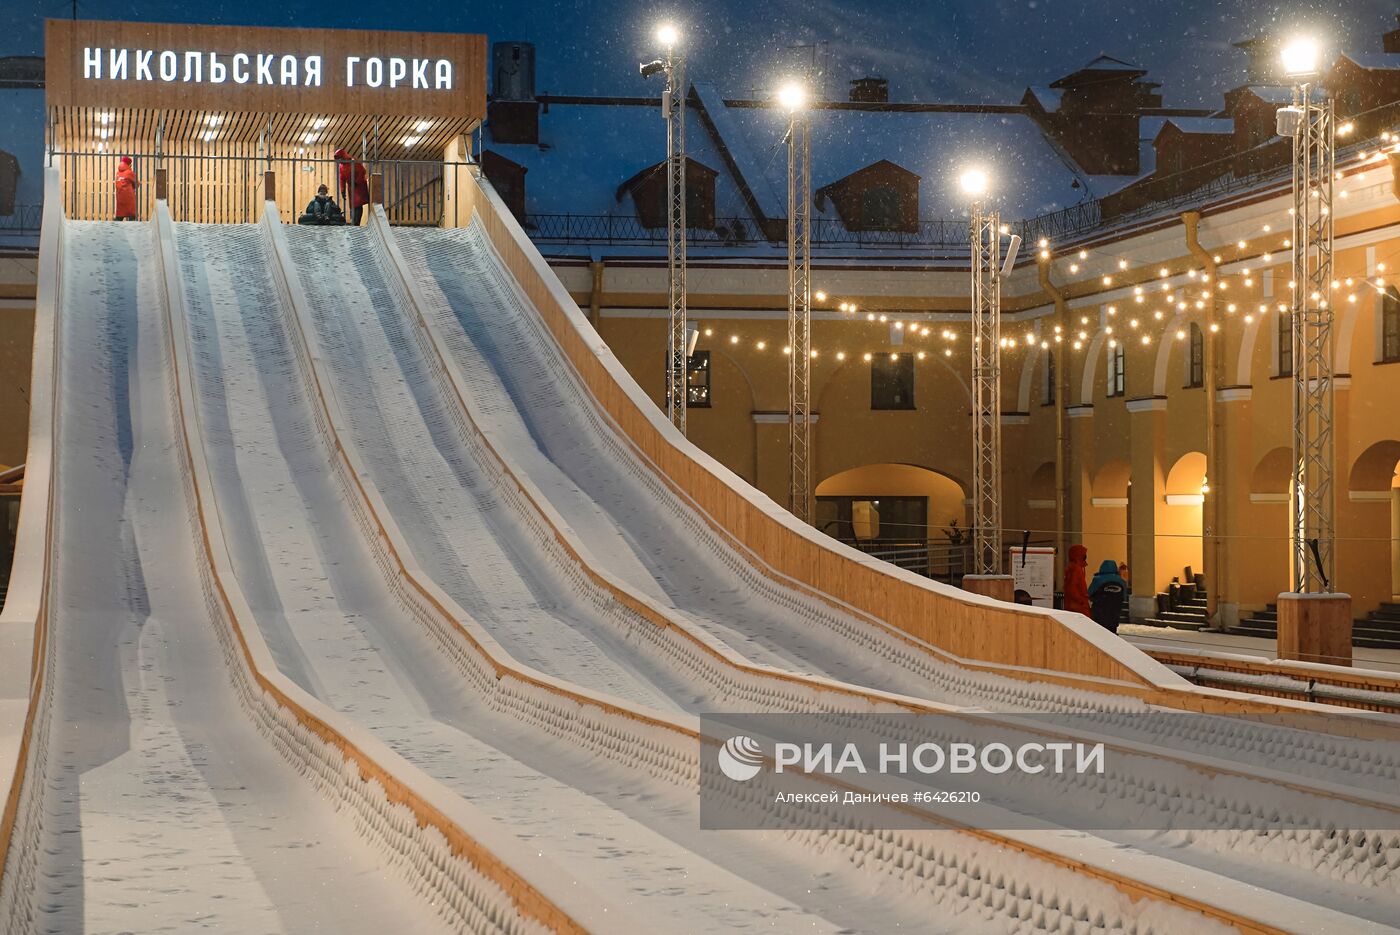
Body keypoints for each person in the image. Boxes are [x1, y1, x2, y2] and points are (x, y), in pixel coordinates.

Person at [1088, 559, 1129, 633]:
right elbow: (1124, 597)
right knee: (1112, 631)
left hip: (1099, 612)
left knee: (1099, 632)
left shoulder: (1097, 580)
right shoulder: (1122, 582)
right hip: (1114, 613)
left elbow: (1090, 593)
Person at [334, 148, 371, 225]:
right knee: (354, 206)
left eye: (340, 158)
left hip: (359, 186)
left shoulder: (353, 161)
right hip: (352, 186)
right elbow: (342, 178)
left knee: (357, 205)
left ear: (343, 156)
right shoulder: (342, 166)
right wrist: (342, 189)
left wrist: (357, 182)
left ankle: (356, 223)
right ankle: (355, 222)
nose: (339, 161)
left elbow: (362, 171)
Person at [1062, 543, 1091, 617]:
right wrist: (1081, 601)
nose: (1085, 557)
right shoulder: (1076, 569)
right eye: (1084, 555)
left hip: (1074, 605)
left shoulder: (1072, 567)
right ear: (1079, 556)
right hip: (1077, 606)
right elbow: (1072, 588)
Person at [114, 156, 140, 221]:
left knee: (118, 219)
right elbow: (137, 184)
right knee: (131, 220)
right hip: (129, 199)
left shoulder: (118, 173)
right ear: (129, 164)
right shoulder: (130, 173)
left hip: (120, 199)